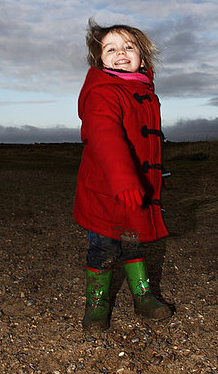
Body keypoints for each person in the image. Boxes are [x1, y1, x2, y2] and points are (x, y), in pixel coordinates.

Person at [73, 18, 172, 332]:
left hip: (134, 190)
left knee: (134, 242)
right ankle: (97, 302)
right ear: (99, 59)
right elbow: (105, 137)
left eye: (129, 47)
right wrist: (124, 178)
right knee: (102, 246)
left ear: (142, 56)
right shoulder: (102, 92)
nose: (120, 53)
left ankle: (143, 296)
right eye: (110, 48)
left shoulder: (143, 91)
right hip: (105, 188)